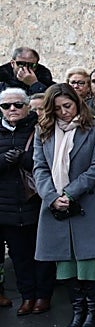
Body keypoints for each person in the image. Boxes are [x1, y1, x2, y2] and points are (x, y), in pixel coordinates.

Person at [32, 83, 95, 327]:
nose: (64, 112)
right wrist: (51, 196)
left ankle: (93, 313)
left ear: (77, 102)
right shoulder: (44, 131)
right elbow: (39, 168)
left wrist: (70, 193)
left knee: (91, 261)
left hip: (89, 201)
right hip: (56, 205)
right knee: (65, 262)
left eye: (68, 106)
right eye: (57, 108)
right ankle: (78, 311)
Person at [0, 88, 54, 314]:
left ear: (27, 106)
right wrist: (3, 160)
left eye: (18, 105)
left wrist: (24, 159)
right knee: (19, 256)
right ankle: (27, 296)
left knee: (42, 254)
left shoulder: (40, 129)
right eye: (6, 106)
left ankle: (43, 296)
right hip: (6, 206)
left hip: (35, 202)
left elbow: (51, 160)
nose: (12, 109)